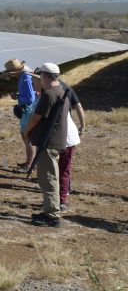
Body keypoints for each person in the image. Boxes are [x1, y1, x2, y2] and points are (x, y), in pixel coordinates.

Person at [24, 63, 70, 227]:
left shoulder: (49, 94)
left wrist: (27, 130)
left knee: (48, 179)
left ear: (45, 76)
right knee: (50, 177)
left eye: (40, 75)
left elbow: (36, 118)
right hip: (53, 141)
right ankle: (49, 210)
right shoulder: (61, 91)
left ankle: (52, 215)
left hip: (47, 142)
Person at [58, 79, 85, 212]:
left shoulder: (50, 93)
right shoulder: (67, 89)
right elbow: (79, 106)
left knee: (61, 169)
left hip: (64, 135)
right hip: (66, 135)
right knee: (63, 168)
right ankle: (64, 191)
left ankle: (61, 199)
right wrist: (83, 126)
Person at [5, 58, 38, 169]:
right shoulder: (25, 76)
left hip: (27, 109)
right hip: (27, 109)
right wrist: (19, 94)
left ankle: (30, 163)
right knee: (26, 135)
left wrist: (18, 96)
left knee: (27, 135)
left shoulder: (25, 77)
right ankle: (30, 161)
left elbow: (30, 97)